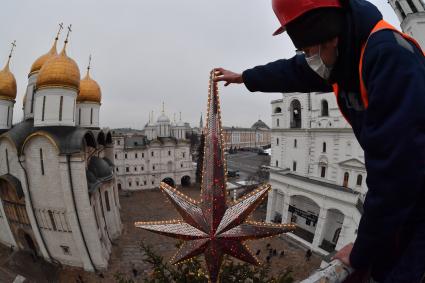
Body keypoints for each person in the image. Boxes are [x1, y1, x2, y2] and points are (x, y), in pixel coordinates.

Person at [214, 0, 425, 282]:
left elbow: (395, 175)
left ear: (329, 35)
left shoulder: (388, 57)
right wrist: (246, 78)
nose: (309, 58)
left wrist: (359, 254)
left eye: (309, 50)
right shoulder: (348, 56)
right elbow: (294, 71)